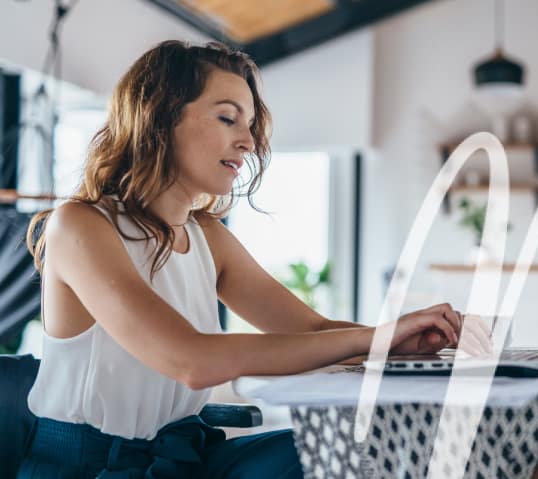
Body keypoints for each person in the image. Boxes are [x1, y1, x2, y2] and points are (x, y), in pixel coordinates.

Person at [18, 40, 491, 478]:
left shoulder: (206, 235)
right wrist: (377, 338)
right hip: (85, 467)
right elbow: (190, 360)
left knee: (363, 446)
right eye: (228, 118)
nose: (249, 141)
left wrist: (392, 343)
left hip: (185, 456)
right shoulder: (81, 226)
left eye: (250, 124)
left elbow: (305, 330)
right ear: (159, 117)